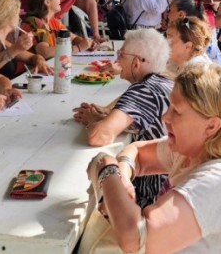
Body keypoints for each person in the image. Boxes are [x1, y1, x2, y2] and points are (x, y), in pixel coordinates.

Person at [86, 63, 221, 253]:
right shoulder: (196, 148)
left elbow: (134, 238)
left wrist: (106, 168)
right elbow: (137, 154)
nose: (165, 117)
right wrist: (121, 176)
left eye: (177, 111)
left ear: (211, 126)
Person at [72, 29, 173, 208]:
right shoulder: (164, 82)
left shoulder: (143, 91)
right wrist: (104, 116)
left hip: (151, 198)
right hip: (171, 189)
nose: (117, 60)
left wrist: (92, 121)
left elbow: (99, 136)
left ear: (136, 63)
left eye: (121, 54)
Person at [0, 0, 52, 78]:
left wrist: (40, 61)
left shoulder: (2, 41)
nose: (19, 18)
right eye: (17, 14)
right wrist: (15, 49)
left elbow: (32, 57)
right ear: (9, 17)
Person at [21, 0, 94, 58]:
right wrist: (78, 47)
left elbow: (73, 37)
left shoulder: (52, 22)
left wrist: (87, 43)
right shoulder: (34, 22)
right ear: (47, 2)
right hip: (33, 68)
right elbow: (45, 52)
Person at [168, 0, 221, 65]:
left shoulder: (190, 31)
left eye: (170, 10)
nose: (168, 14)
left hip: (210, 69)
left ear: (181, 14)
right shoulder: (192, 25)